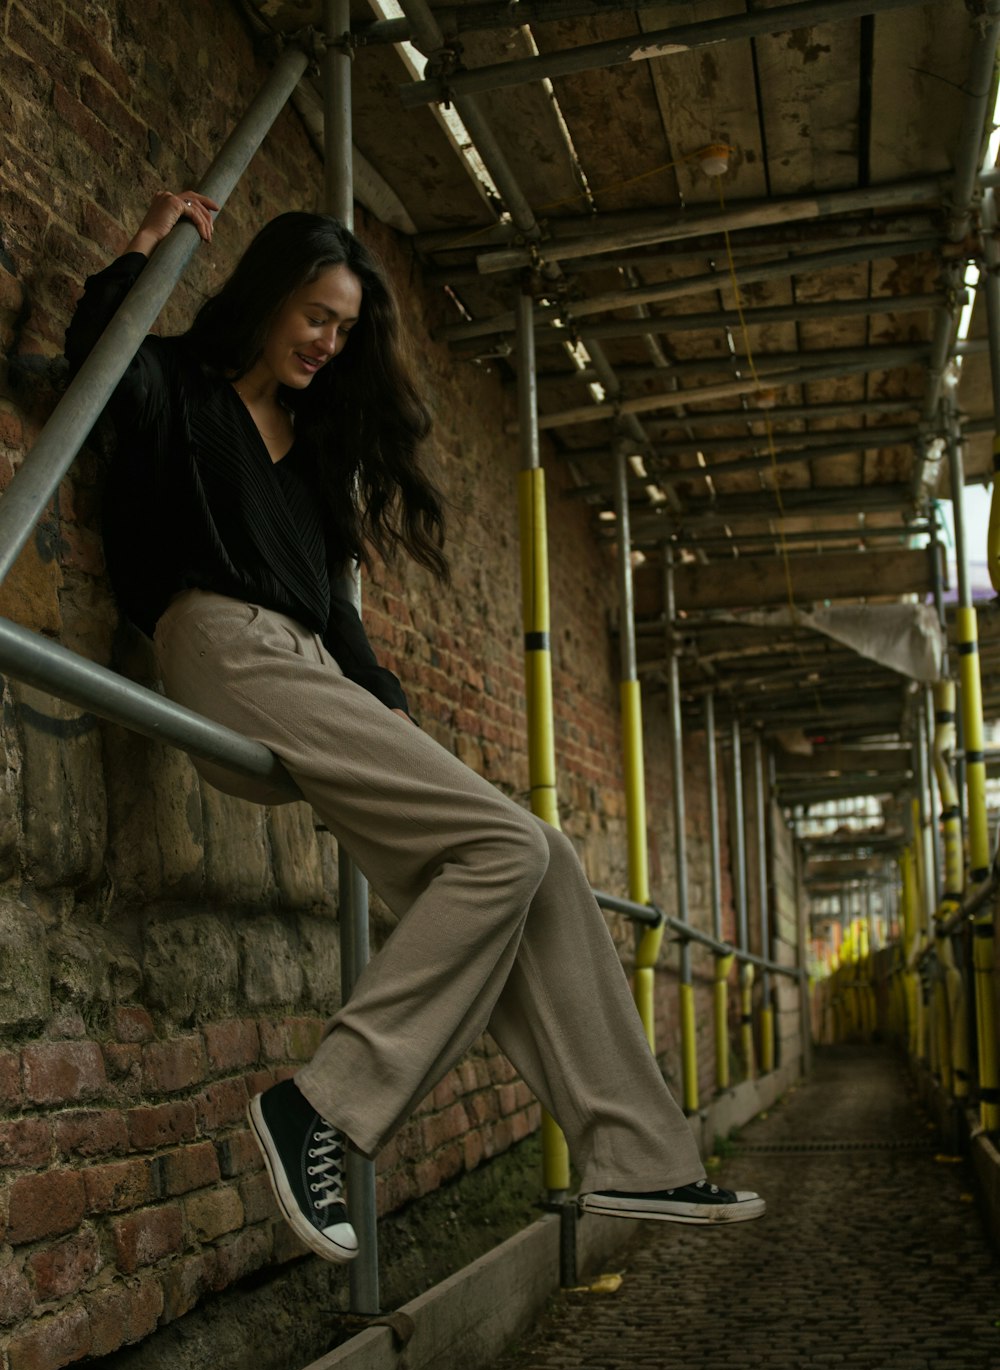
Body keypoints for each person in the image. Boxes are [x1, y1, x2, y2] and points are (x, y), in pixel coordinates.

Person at [65, 190, 765, 1265]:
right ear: (267, 297)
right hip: (217, 643)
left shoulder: (306, 452)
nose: (326, 343)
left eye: (344, 330)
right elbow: (95, 365)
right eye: (315, 316)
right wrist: (148, 246)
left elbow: (334, 615)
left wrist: (387, 705)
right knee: (507, 842)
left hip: (303, 673)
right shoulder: (181, 390)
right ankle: (321, 1109)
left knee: (542, 863)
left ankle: (640, 1155)